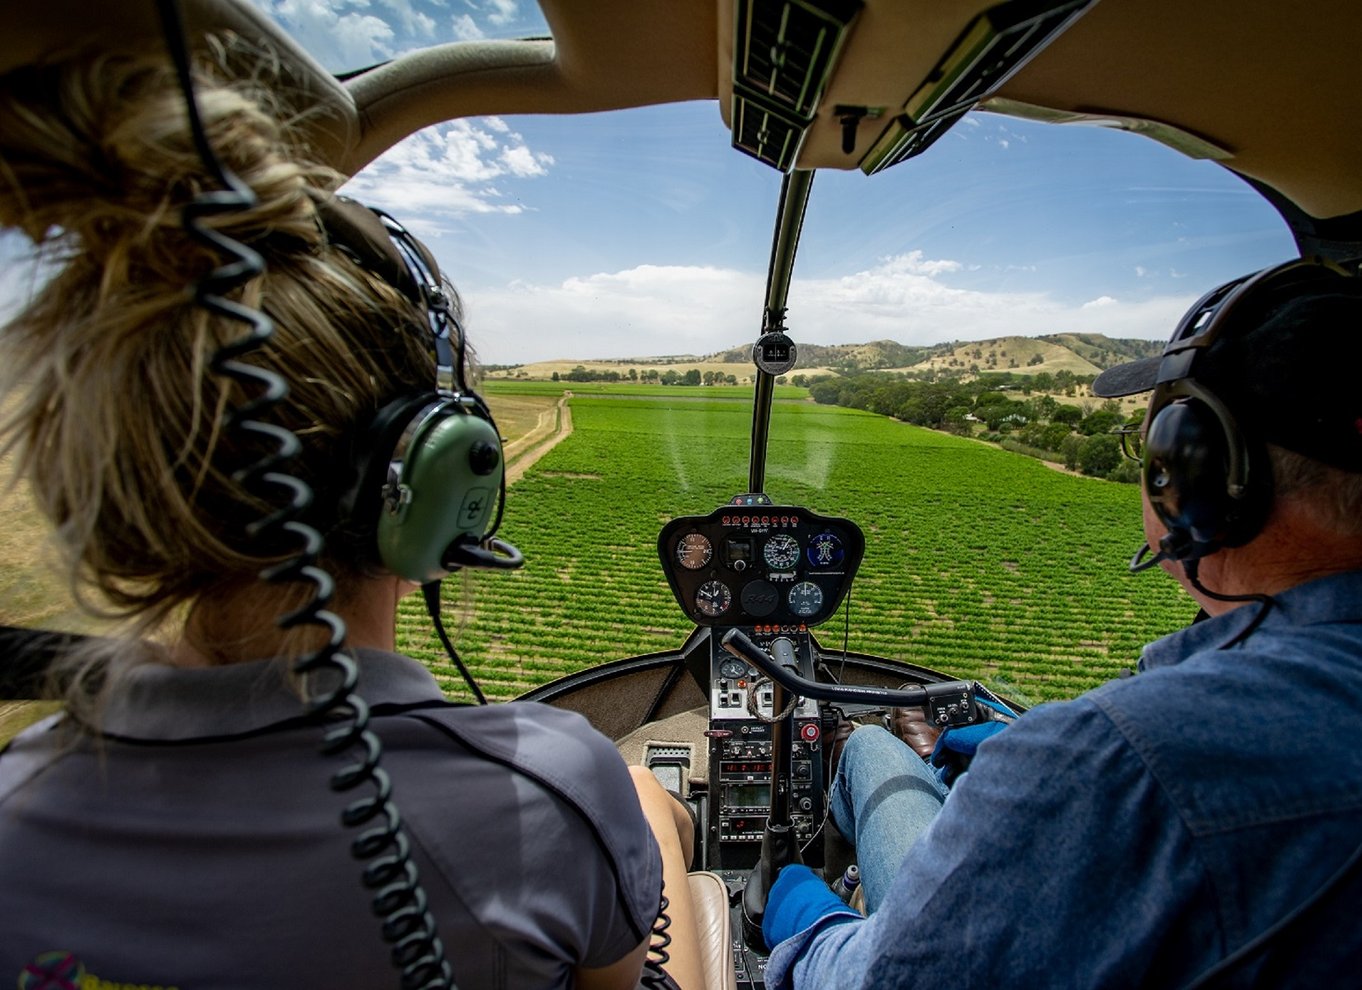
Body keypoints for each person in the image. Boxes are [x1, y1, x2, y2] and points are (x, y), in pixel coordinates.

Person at [0, 42, 705, 990]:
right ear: (447, 475)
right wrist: (648, 819)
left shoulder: (18, 810)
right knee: (669, 846)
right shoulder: (550, 794)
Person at [761, 257, 1362, 987]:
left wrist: (804, 917)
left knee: (870, 757)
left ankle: (843, 873)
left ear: (1195, 479)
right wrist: (1033, 750)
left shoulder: (1119, 762)